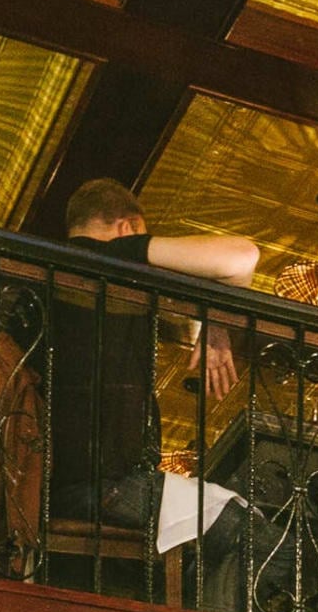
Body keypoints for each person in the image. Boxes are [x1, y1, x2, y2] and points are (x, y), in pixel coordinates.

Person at [50, 178, 255, 531]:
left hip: (60, 483)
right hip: (101, 485)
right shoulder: (107, 257)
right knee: (257, 536)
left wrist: (215, 320)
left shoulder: (50, 269)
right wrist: (216, 316)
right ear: (127, 228)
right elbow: (242, 257)